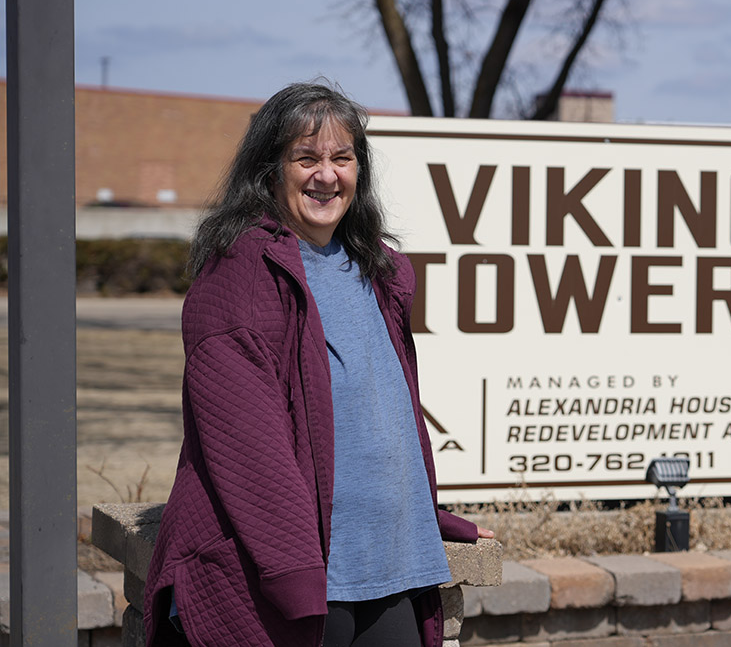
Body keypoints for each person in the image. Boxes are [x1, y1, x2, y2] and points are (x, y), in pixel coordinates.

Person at [143, 81, 493, 647]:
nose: (326, 175)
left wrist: (428, 513)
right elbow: (247, 449)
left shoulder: (380, 271)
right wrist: (295, 579)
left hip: (393, 564)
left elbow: (387, 416)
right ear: (270, 169)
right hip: (299, 579)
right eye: (305, 158)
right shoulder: (239, 276)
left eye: (342, 158)